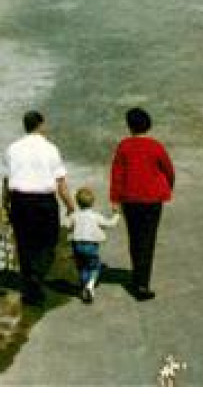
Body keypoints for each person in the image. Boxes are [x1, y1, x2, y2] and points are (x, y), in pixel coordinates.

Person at [2, 110, 76, 306]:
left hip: (20, 201)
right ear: (41, 125)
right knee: (49, 241)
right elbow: (61, 183)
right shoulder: (51, 149)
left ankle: (30, 284)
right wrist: (70, 205)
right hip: (44, 202)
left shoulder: (12, 148)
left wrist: (4, 205)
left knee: (24, 244)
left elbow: (7, 180)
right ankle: (38, 275)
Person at [109, 106, 175, 301]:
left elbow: (117, 174)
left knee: (135, 238)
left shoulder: (124, 146)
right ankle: (142, 283)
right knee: (148, 239)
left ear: (129, 126)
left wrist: (114, 198)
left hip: (130, 200)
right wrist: (166, 188)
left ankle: (138, 277)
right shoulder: (156, 146)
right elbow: (169, 170)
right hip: (152, 200)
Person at [64, 187, 120, 303]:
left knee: (82, 266)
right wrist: (116, 214)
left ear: (77, 202)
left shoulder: (75, 216)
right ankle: (90, 285)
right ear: (92, 202)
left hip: (77, 245)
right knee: (94, 266)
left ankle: (84, 286)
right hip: (91, 246)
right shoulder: (95, 216)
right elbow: (110, 224)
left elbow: (67, 225)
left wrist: (68, 214)